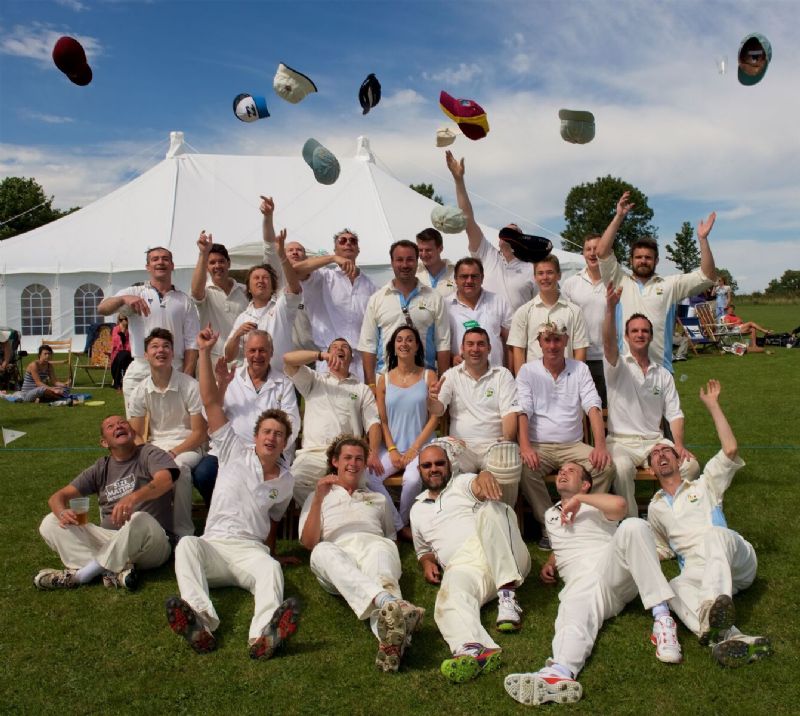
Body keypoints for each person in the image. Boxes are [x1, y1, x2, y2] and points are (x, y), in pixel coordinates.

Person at [165, 326, 300, 658]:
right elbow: (210, 401)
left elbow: (271, 520)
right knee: (186, 545)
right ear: (255, 436)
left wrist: (274, 554)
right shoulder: (231, 449)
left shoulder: (286, 480)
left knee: (270, 569)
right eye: (266, 432)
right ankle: (200, 618)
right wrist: (206, 351)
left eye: (278, 434)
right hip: (214, 545)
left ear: (285, 442)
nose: (271, 438)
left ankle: (262, 636)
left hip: (250, 552)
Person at [504, 462, 682, 707]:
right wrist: (551, 562)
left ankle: (662, 618)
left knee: (634, 525)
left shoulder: (596, 503)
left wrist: (581, 499)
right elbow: (567, 542)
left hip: (612, 570)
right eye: (561, 471)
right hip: (582, 581)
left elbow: (621, 507)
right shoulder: (550, 514)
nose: (563, 473)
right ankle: (561, 671)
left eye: (571, 471)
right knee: (574, 607)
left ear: (586, 484)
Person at [647, 379, 771, 668]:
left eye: (667, 451)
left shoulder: (703, 485)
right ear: (651, 468)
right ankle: (731, 638)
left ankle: (710, 609)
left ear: (679, 460)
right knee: (672, 585)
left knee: (715, 534)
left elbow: (729, 449)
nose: (661, 455)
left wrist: (713, 405)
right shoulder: (654, 509)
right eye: (655, 454)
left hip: (734, 559)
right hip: (698, 572)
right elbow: (660, 549)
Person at [299, 435, 425, 673]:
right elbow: (308, 542)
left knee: (381, 549)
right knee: (321, 550)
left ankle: (391, 642)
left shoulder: (378, 498)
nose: (353, 464)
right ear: (335, 461)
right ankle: (392, 603)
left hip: (373, 547)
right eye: (347, 458)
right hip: (337, 557)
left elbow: (390, 538)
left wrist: (382, 553)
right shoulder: (318, 496)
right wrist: (318, 498)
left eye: (359, 459)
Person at [410, 444, 531, 683]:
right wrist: (425, 562)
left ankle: (508, 596)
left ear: (449, 466)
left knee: (494, 509)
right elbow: (423, 549)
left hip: (499, 550)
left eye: (439, 464)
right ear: (419, 470)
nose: (433, 469)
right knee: (447, 599)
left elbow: (478, 484)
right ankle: (475, 649)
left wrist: (485, 475)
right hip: (463, 565)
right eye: (427, 465)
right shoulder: (416, 510)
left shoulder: (461, 482)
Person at [34, 415, 177, 591]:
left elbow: (166, 480)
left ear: (132, 432)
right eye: (111, 426)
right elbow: (57, 497)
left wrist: (133, 498)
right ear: (104, 442)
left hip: (151, 543)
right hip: (110, 539)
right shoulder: (101, 467)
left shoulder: (149, 453)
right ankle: (116, 571)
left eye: (122, 423)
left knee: (140, 519)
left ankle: (81, 575)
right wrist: (63, 512)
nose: (118, 426)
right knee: (50, 522)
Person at [603, 285, 699, 517]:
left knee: (690, 466)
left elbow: (674, 413)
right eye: (634, 331)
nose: (640, 334)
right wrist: (610, 308)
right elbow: (607, 343)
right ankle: (632, 522)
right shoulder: (617, 365)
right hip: (621, 442)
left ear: (651, 336)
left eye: (644, 331)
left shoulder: (662, 374)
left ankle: (667, 513)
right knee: (623, 468)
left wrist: (677, 444)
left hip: (654, 441)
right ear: (626, 336)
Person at [516, 321, 614, 549]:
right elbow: (522, 410)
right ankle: (549, 524)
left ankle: (584, 518)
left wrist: (600, 445)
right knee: (523, 468)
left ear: (566, 341)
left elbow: (593, 406)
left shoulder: (580, 368)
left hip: (573, 444)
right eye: (547, 340)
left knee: (605, 466)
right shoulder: (528, 371)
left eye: (557, 340)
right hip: (540, 445)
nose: (552, 345)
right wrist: (525, 447)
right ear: (539, 343)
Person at [597, 192, 717, 372]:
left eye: (648, 257)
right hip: (626, 371)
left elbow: (707, 276)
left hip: (660, 370)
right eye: (638, 257)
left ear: (656, 261)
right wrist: (619, 217)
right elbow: (602, 252)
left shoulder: (669, 285)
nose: (643, 261)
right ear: (631, 261)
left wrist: (703, 240)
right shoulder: (620, 280)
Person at [191, 328, 300, 508]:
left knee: (261, 478)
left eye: (263, 350)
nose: (257, 355)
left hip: (268, 453)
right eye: (252, 350)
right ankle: (222, 512)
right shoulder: (230, 377)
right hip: (227, 450)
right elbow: (209, 413)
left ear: (271, 352)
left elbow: (292, 425)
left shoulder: (284, 384)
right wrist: (223, 385)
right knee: (204, 474)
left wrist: (267, 451)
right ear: (245, 352)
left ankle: (254, 520)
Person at [97, 247, 200, 413]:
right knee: (138, 429)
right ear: (148, 267)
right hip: (141, 368)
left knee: (172, 426)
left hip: (175, 368)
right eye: (155, 259)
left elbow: (192, 343)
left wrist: (186, 376)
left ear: (172, 265)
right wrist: (124, 298)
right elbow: (102, 308)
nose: (160, 262)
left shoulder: (184, 300)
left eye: (165, 259)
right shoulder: (135, 292)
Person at [283, 340, 384, 509]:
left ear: (351, 358)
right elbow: (287, 359)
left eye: (344, 347)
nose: (339, 349)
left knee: (359, 491)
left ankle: (330, 518)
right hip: (313, 453)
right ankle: (324, 515)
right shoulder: (314, 379)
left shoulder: (361, 389)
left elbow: (373, 423)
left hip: (347, 455)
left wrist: (372, 452)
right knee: (294, 481)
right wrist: (320, 355)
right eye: (334, 347)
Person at [428, 327, 522, 507]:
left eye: (481, 344)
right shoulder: (451, 375)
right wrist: (431, 399)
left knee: (508, 454)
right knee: (440, 453)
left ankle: (504, 515)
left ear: (489, 348)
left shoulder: (502, 375)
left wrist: (506, 441)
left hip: (493, 445)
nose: (475, 349)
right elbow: (438, 410)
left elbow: (510, 414)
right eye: (470, 344)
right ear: (462, 349)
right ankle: (452, 514)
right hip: (462, 446)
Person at [128, 328, 206, 539]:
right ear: (146, 355)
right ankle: (150, 530)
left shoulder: (190, 385)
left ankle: (183, 533)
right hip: (156, 446)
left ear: (173, 352)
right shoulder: (140, 390)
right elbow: (135, 435)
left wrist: (172, 452)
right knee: (141, 470)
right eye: (154, 347)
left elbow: (199, 433)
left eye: (166, 347)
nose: (160, 351)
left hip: (187, 446)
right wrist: (145, 454)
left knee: (178, 470)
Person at [445, 151, 535, 310]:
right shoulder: (487, 254)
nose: (507, 236)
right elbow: (467, 219)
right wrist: (459, 180)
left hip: (519, 333)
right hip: (487, 331)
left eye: (513, 233)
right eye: (504, 232)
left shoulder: (531, 269)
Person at [359, 240, 451, 388]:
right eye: (399, 260)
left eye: (410, 259)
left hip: (424, 381)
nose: (404, 265)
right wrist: (371, 386)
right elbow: (368, 345)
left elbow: (443, 344)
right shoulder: (377, 299)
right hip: (385, 382)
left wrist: (443, 386)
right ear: (392, 262)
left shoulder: (434, 298)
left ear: (417, 261)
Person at [376, 325, 439, 537]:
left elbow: (434, 418)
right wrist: (393, 449)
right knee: (367, 476)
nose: (404, 343)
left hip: (422, 447)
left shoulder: (429, 375)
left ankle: (401, 522)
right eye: (400, 340)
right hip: (392, 447)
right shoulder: (383, 379)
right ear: (393, 347)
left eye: (410, 339)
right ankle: (398, 524)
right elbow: (383, 421)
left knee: (412, 480)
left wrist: (414, 449)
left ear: (417, 346)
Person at [224, 228, 301, 370]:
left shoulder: (282, 307)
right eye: (256, 278)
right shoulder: (242, 317)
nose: (261, 281)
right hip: (252, 383)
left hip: (282, 381)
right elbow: (228, 356)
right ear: (248, 287)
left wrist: (283, 257)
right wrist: (236, 336)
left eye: (265, 278)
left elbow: (295, 288)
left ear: (272, 287)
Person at [508, 254, 589, 375]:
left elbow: (580, 351)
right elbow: (518, 350)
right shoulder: (523, 312)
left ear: (559, 275)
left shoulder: (575, 311)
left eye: (550, 272)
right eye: (540, 273)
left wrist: (575, 382)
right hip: (534, 382)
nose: (545, 277)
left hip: (567, 382)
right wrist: (523, 385)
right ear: (534, 277)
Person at [561, 234, 607, 404]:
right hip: (579, 358)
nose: (592, 253)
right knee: (579, 410)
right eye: (588, 249)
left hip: (607, 358)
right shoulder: (571, 283)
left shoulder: (614, 281)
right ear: (583, 253)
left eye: (596, 248)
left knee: (607, 410)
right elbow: (564, 321)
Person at [190, 233, 249, 361]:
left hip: (243, 361)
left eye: (221, 261)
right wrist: (202, 254)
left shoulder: (245, 290)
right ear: (206, 267)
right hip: (212, 360)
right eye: (212, 262)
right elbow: (195, 292)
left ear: (229, 263)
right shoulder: (204, 291)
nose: (217, 266)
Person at [447, 257, 513, 368]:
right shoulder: (445, 306)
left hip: (495, 375)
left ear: (482, 278)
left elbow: (510, 342)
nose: (469, 281)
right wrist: (451, 357)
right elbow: (439, 345)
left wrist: (510, 372)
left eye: (474, 276)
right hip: (460, 377)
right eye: (464, 276)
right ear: (455, 279)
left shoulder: (499, 301)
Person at [416, 227, 456, 297]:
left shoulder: (456, 272)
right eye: (420, 250)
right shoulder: (413, 273)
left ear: (440, 249)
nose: (424, 254)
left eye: (428, 250)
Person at [110, 315, 133, 390]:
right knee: (121, 356)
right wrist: (122, 332)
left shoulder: (130, 330)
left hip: (128, 354)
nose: (125, 321)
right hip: (117, 353)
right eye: (123, 320)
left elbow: (130, 343)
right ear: (120, 320)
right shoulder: (116, 329)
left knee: (123, 355)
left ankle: (117, 382)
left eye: (126, 319)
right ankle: (118, 381)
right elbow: (115, 342)